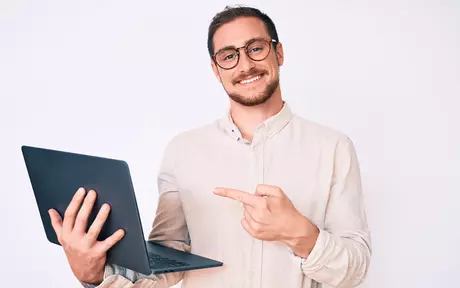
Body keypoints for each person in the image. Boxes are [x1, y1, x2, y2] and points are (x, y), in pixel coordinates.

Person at [49, 5, 372, 288]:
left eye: (256, 48)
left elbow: (355, 271)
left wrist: (300, 233)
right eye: (229, 56)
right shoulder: (183, 150)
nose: (245, 65)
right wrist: (93, 274)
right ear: (216, 70)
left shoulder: (334, 148)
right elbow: (167, 262)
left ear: (279, 53)